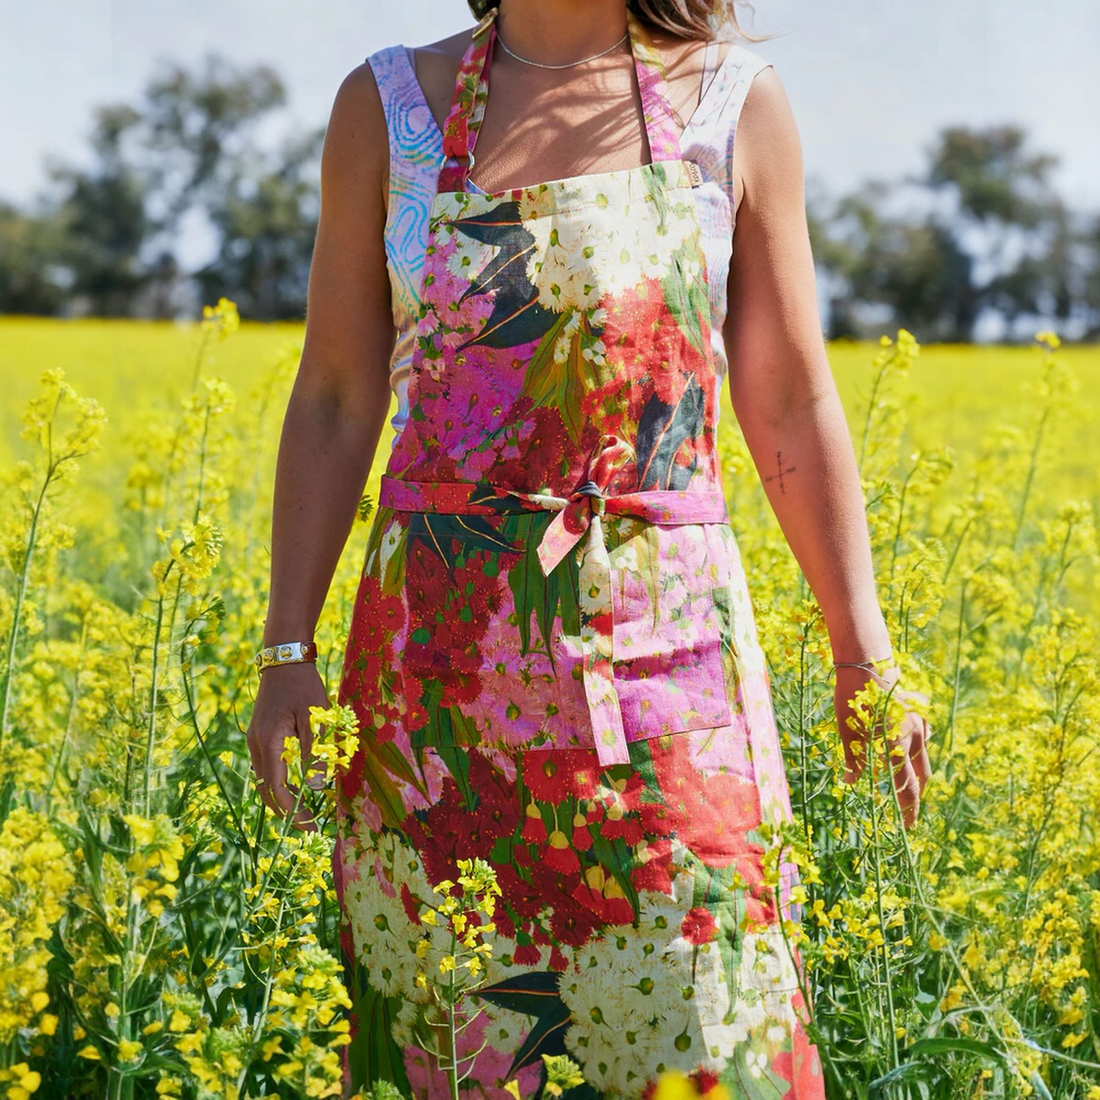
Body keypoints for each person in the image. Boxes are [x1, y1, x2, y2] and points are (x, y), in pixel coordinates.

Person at [247, 1, 932, 1096]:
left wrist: (865, 656)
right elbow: (334, 393)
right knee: (452, 1047)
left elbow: (792, 401)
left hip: (671, 677)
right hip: (434, 695)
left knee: (713, 1036)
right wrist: (287, 649)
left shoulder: (730, 105)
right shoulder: (386, 108)